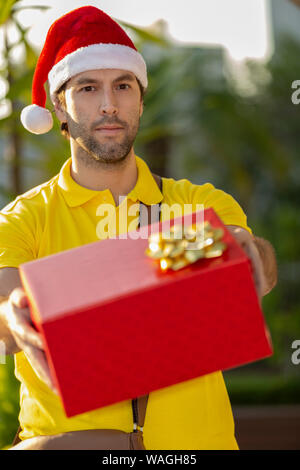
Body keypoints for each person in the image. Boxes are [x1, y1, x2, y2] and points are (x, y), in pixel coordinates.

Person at [0, 6, 277, 450]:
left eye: (123, 86)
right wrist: (14, 318)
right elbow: (4, 309)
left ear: (140, 101)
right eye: (88, 88)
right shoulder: (24, 218)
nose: (109, 104)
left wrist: (248, 255)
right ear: (60, 107)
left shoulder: (195, 203)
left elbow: (255, 268)